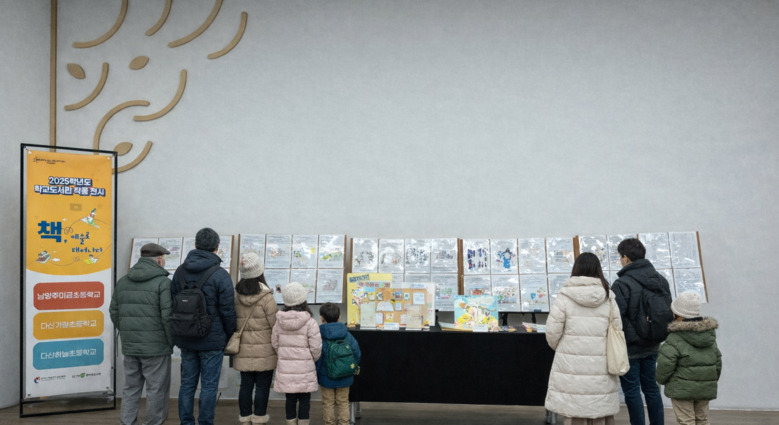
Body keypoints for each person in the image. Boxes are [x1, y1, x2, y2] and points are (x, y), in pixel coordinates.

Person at [545, 252, 623, 425]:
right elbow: (617, 330)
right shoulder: (609, 298)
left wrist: (565, 348)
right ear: (598, 270)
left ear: (576, 269)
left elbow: (552, 332)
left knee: (575, 410)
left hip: (571, 364)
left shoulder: (565, 297)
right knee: (600, 408)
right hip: (602, 363)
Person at [171, 228, 236, 425]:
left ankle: (186, 422)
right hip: (212, 340)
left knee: (187, 384)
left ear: (195, 245)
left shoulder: (179, 272)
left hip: (186, 337)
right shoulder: (220, 275)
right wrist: (229, 335)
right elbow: (227, 311)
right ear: (217, 247)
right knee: (209, 386)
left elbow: (173, 303)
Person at [110, 243, 174, 425]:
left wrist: (127, 333)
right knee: (156, 389)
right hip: (157, 347)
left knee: (130, 388)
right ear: (159, 260)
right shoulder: (163, 283)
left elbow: (114, 312)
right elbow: (167, 316)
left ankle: (127, 422)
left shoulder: (123, 281)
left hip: (130, 346)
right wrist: (170, 341)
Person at [611, 238, 673, 425]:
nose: (620, 260)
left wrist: (634, 336)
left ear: (626, 258)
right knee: (652, 389)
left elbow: (617, 318)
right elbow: (666, 311)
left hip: (631, 347)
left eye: (620, 257)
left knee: (632, 392)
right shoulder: (660, 280)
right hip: (654, 343)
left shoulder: (621, 284)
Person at [656, 292, 722, 425]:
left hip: (681, 389)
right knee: (703, 419)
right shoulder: (709, 336)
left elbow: (666, 363)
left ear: (678, 314)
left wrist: (661, 379)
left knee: (686, 421)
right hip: (704, 387)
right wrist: (708, 380)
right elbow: (717, 362)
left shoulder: (675, 338)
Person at [233, 253, 278, 424]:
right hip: (265, 350)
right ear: (260, 272)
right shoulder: (267, 297)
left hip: (242, 349)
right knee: (262, 386)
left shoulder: (235, 295)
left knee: (245, 385)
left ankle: (245, 418)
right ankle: (259, 418)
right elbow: (275, 325)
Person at [271, 282, 322, 425]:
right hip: (305, 368)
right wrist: (310, 359)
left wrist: (284, 356)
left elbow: (275, 343)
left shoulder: (279, 322)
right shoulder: (310, 322)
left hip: (286, 368)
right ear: (303, 300)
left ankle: (291, 422)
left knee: (290, 399)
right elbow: (316, 348)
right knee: (305, 400)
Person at [315, 302, 362, 425]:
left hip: (326, 377)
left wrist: (316, 374)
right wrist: (350, 368)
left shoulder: (319, 336)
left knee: (328, 402)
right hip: (345, 376)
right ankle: (344, 423)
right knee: (343, 402)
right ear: (339, 317)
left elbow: (317, 358)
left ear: (322, 318)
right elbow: (357, 353)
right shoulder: (347, 335)